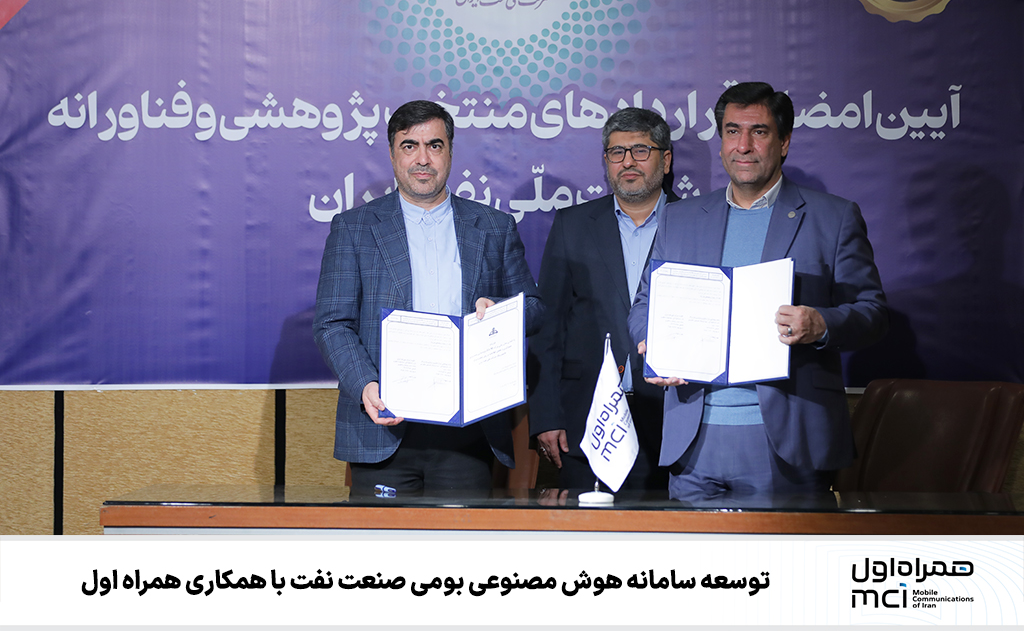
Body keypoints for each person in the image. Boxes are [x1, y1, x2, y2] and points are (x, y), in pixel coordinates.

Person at [628, 82, 887, 500]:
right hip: (692, 442)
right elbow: (644, 303)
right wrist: (652, 340)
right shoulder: (680, 218)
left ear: (783, 143)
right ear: (721, 142)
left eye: (759, 132)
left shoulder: (833, 217)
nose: (743, 146)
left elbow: (872, 313)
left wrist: (822, 324)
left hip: (787, 443)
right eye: (732, 131)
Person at [313, 99, 543, 495]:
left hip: (467, 434)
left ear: (450, 152)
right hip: (384, 426)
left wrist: (503, 314)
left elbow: (535, 309)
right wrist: (366, 385)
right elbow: (332, 323)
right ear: (392, 155)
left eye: (434, 145)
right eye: (410, 146)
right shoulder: (354, 228)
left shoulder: (494, 226)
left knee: (460, 538)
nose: (423, 158)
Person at [529, 107, 676, 490]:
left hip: (673, 418)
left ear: (666, 160)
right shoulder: (572, 225)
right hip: (587, 422)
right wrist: (546, 415)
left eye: (641, 150)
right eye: (616, 152)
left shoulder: (695, 222)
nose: (628, 162)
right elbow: (548, 329)